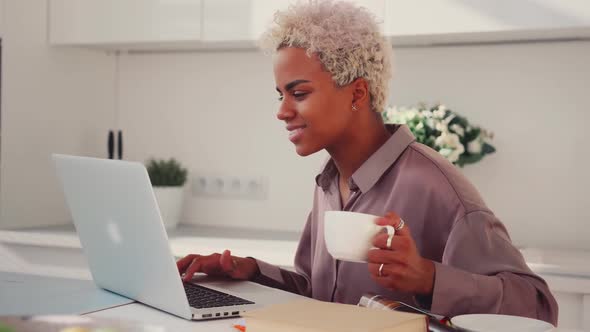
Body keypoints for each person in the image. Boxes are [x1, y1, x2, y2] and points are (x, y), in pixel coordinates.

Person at [177, 0, 558, 324]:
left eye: (299, 93)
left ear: (357, 92)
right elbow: (319, 294)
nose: (282, 111)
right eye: (280, 95)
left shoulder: (438, 189)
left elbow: (539, 307)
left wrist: (427, 278)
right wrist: (250, 272)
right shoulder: (330, 183)